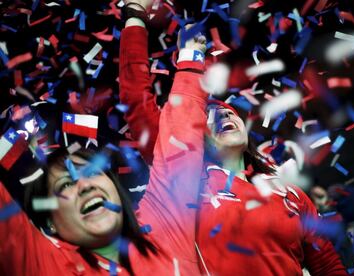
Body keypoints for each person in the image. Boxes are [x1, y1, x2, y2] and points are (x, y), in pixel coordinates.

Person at [119, 1, 347, 275]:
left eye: (227, 113)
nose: (222, 118)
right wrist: (135, 16)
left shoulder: (289, 193)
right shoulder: (185, 178)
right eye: (207, 117)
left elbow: (327, 264)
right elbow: (136, 100)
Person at [0, 1, 208, 274]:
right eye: (64, 186)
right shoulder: (42, 265)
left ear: (119, 192)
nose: (84, 185)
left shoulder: (165, 227)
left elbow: (182, 132)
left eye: (94, 172)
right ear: (49, 222)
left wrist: (190, 53)